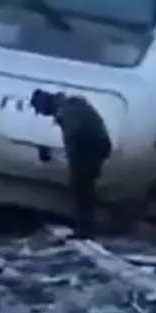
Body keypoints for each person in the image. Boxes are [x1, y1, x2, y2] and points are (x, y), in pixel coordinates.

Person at [30, 89, 111, 236]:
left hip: (91, 148)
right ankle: (85, 227)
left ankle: (86, 229)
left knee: (82, 188)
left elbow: (75, 136)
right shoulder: (67, 107)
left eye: (41, 110)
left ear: (45, 105)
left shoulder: (67, 109)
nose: (43, 114)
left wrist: (74, 161)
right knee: (83, 187)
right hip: (94, 147)